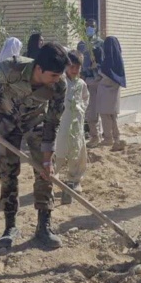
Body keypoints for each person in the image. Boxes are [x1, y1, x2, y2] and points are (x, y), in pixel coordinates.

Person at [0, 43, 69, 250]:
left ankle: (43, 227)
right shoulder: (11, 69)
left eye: (59, 75)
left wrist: (48, 159)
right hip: (7, 119)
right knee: (7, 171)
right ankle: (10, 226)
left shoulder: (59, 85)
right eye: (54, 75)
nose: (57, 80)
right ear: (39, 69)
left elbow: (52, 122)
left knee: (45, 172)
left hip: (36, 121)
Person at [55, 51, 89, 195]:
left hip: (76, 124)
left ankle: (74, 179)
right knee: (58, 150)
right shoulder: (60, 82)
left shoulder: (81, 84)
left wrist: (80, 110)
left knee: (77, 149)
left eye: (77, 67)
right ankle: (52, 176)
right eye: (72, 67)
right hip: (62, 123)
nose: (74, 70)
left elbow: (85, 99)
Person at [94, 36, 127, 151]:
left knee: (105, 116)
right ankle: (116, 136)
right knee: (113, 116)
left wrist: (97, 68)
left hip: (105, 92)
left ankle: (108, 138)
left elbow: (104, 74)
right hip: (115, 91)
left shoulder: (107, 60)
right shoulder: (119, 60)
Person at [79, 19, 104, 146]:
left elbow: (104, 62)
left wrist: (96, 68)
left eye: (92, 26)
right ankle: (93, 134)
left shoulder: (100, 43)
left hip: (96, 79)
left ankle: (96, 135)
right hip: (84, 80)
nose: (90, 28)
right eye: (88, 26)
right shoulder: (82, 44)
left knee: (94, 108)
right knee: (88, 108)